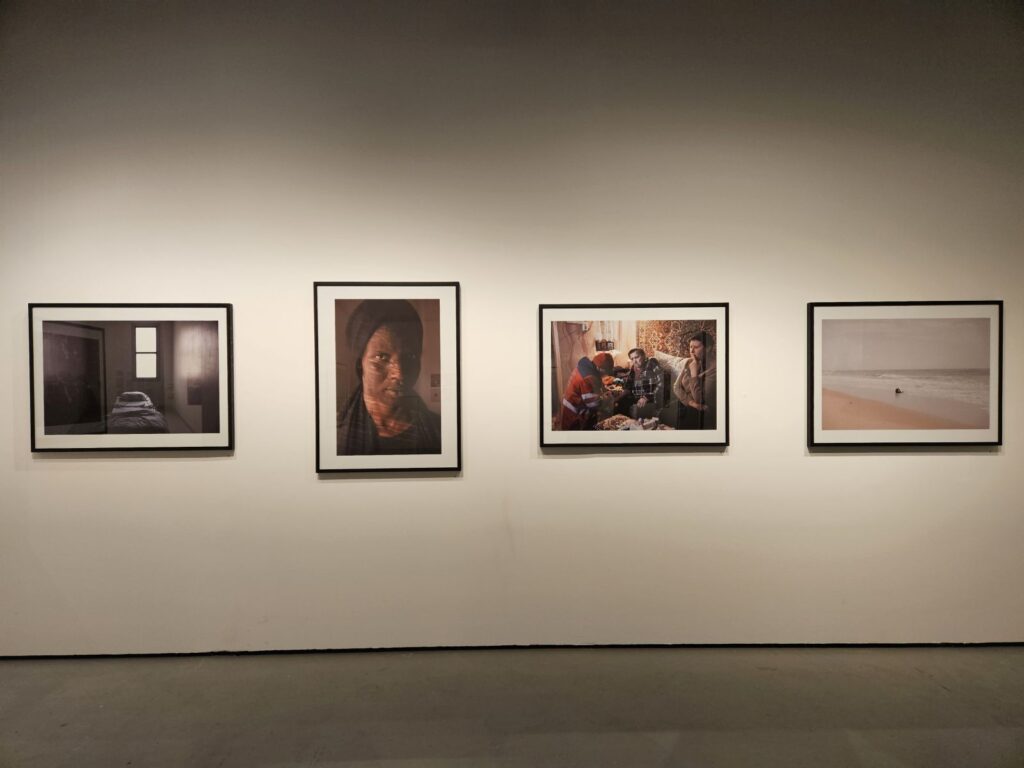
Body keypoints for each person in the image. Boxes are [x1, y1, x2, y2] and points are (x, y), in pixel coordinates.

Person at [337, 299, 441, 455]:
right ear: (360, 363)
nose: (399, 373)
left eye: (410, 356)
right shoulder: (333, 433)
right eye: (382, 357)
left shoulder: (440, 431)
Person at [558, 352, 619, 430]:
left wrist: (603, 390)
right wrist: (608, 399)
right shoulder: (589, 378)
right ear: (600, 368)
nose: (606, 375)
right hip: (574, 415)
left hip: (572, 406)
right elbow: (593, 405)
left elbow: (597, 383)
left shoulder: (586, 367)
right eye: (605, 372)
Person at [673, 331, 717, 429]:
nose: (691, 351)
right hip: (689, 405)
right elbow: (676, 387)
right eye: (690, 347)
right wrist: (693, 404)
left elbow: (700, 400)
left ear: (708, 348)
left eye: (696, 347)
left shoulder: (715, 369)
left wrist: (694, 374)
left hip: (702, 411)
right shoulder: (689, 361)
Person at [620, 347, 666, 420]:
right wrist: (619, 396)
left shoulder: (651, 363)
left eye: (637, 357)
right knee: (617, 404)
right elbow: (629, 385)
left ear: (644, 356)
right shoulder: (633, 367)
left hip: (649, 399)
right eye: (632, 359)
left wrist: (646, 397)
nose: (634, 361)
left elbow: (661, 382)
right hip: (635, 397)